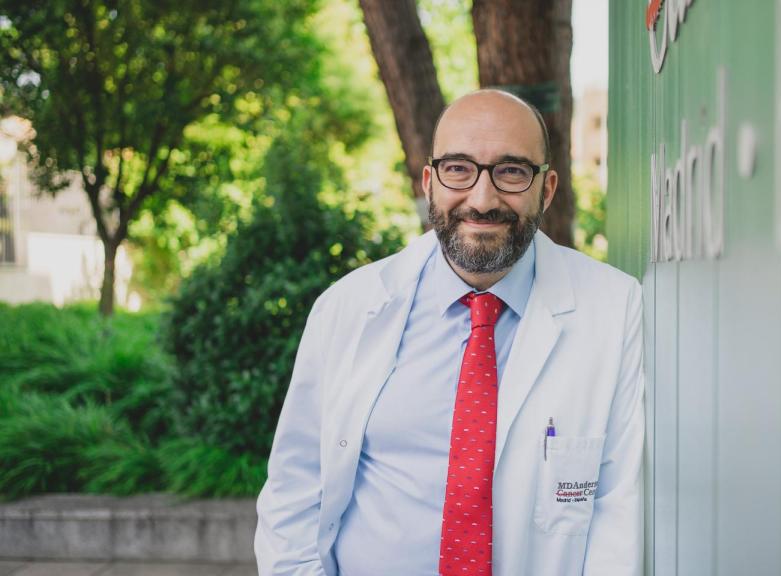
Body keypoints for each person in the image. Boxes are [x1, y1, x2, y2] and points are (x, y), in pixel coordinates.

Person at [255, 89, 644, 575]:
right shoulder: (348, 308)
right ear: (430, 183)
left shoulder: (614, 309)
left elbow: (619, 509)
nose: (482, 200)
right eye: (458, 168)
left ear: (546, 189)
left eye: (511, 171)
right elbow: (295, 490)